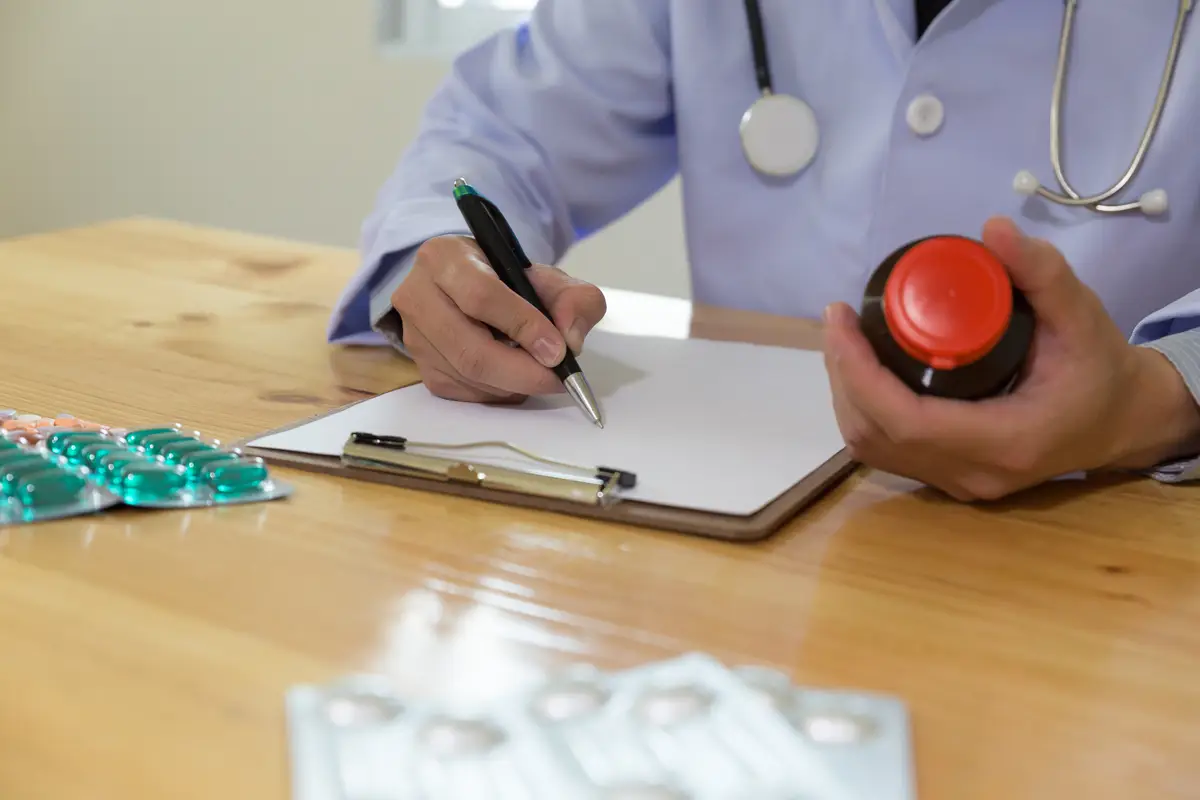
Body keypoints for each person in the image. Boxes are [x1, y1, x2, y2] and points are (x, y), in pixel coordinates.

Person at [328, 0, 1200, 501]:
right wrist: (442, 253)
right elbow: (503, 129)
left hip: (1115, 533)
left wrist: (1161, 400)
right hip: (746, 532)